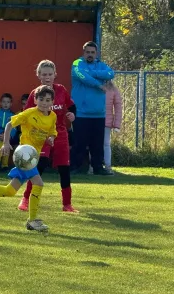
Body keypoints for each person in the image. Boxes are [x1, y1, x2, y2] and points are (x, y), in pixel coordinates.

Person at [0, 85, 57, 232]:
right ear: (36, 100)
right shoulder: (29, 113)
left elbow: (52, 131)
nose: (44, 102)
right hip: (24, 154)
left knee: (10, 191)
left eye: (48, 100)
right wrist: (6, 143)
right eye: (41, 99)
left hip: (33, 157)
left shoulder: (52, 116)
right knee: (38, 183)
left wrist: (50, 138)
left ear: (52, 101)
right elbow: (9, 125)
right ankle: (32, 220)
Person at [17, 60, 78, 213]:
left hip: (60, 134)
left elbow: (71, 106)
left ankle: (67, 204)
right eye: (44, 74)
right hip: (41, 136)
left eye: (50, 74)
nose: (47, 77)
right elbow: (26, 115)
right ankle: (25, 199)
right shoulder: (35, 94)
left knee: (64, 168)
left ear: (55, 75)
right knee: (38, 168)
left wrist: (72, 115)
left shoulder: (61, 90)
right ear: (39, 75)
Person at [70, 41, 114, 175]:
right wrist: (98, 84)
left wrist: (92, 72)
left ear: (96, 53)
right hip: (81, 112)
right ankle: (76, 167)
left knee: (97, 144)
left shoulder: (102, 65)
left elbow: (111, 73)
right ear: (83, 53)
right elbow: (82, 77)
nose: (90, 55)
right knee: (79, 143)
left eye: (92, 52)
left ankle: (98, 168)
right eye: (87, 52)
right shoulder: (77, 63)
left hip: (99, 113)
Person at [0, 93, 16, 171]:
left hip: (7, 136)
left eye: (8, 102)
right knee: (3, 140)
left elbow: (14, 127)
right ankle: (4, 164)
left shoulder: (13, 115)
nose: (5, 104)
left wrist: (9, 135)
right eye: (4, 102)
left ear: (11, 104)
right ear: (0, 103)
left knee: (5, 140)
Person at [104, 79, 122, 175]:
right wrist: (116, 124)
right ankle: (106, 166)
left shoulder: (113, 90)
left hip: (105, 121)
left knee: (104, 144)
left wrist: (117, 124)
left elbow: (118, 106)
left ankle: (106, 165)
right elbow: (118, 106)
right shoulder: (113, 89)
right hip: (105, 121)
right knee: (104, 144)